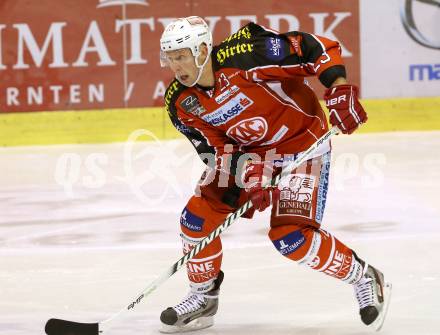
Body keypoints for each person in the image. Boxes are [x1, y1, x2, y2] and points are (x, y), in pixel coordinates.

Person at [159, 16, 391, 333]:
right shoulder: (181, 100)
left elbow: (315, 47)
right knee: (196, 220)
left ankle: (363, 276)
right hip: (251, 155)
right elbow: (211, 150)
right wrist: (248, 171)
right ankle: (202, 298)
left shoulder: (246, 56)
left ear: (202, 50)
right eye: (170, 58)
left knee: (291, 237)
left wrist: (339, 89)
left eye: (181, 55)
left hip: (302, 148)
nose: (176, 66)